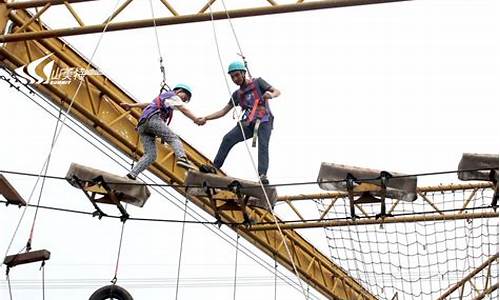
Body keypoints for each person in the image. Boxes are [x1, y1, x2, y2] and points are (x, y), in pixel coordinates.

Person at [200, 61, 281, 184]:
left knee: (263, 145)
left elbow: (277, 91)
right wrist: (206, 118)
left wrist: (270, 94)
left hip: (264, 121)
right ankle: (215, 166)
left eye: (237, 75)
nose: (235, 79)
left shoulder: (258, 82)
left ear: (243, 73)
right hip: (248, 123)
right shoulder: (237, 94)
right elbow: (223, 111)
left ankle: (262, 175)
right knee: (228, 138)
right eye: (232, 77)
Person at [120, 84, 205, 180]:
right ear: (179, 91)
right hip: (153, 120)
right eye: (185, 97)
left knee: (151, 155)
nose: (184, 100)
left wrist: (131, 106)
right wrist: (196, 119)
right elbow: (183, 109)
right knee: (173, 138)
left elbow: (149, 104)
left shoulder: (163, 98)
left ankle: (131, 175)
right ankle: (182, 158)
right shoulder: (173, 96)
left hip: (143, 126)